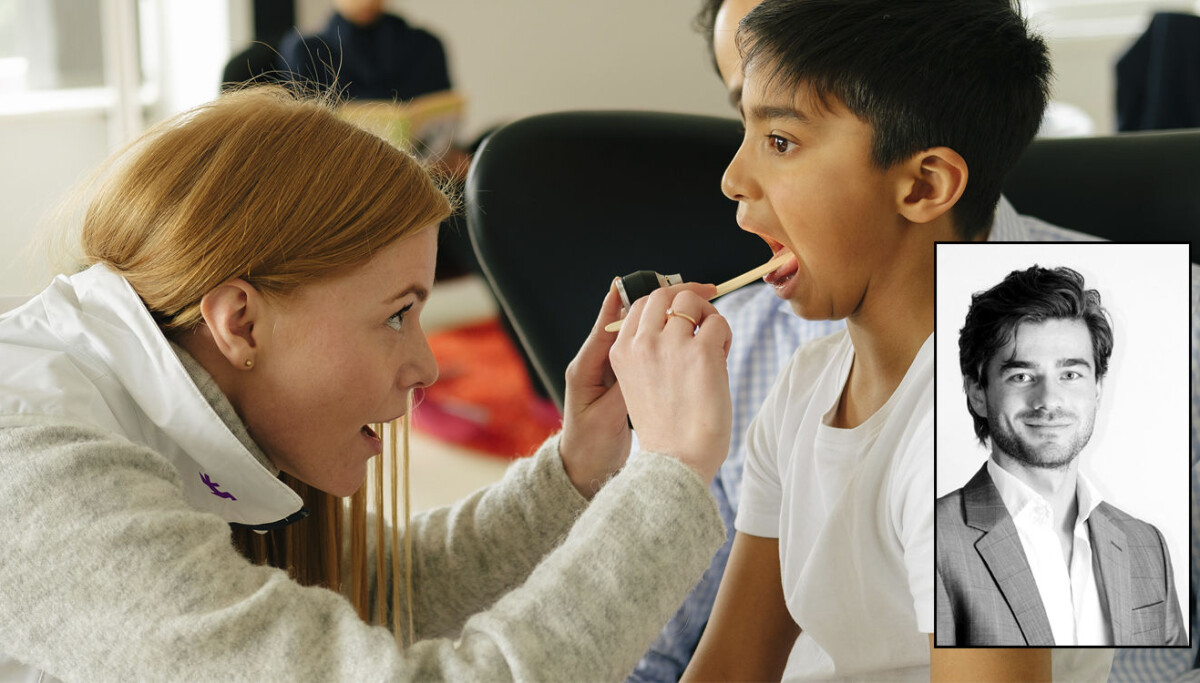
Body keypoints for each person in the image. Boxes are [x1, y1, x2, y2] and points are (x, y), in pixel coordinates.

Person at [0, 85, 735, 680]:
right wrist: (669, 471)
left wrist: (578, 465)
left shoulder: (148, 403)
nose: (428, 367)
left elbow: (390, 590)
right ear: (241, 323)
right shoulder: (44, 475)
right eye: (395, 316)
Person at [632, 0, 1106, 680]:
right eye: (746, 129)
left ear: (925, 184)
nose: (732, 179)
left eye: (780, 141)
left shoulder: (980, 445)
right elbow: (732, 665)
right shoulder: (803, 386)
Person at [936, 265, 1187, 647]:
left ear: (1097, 388)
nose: (1049, 400)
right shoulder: (934, 540)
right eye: (1022, 376)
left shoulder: (1146, 545)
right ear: (977, 393)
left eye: (1070, 375)